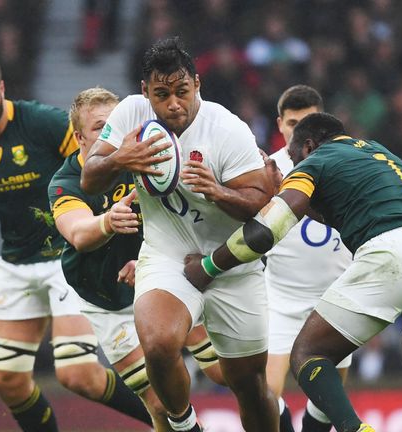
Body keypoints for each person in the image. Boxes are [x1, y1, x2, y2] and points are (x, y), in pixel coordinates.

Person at [184, 112, 402, 432]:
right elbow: (340, 211)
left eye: (293, 157)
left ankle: (354, 429)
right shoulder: (379, 153)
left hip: (395, 253)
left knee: (308, 354)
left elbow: (269, 229)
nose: (293, 163)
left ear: (308, 147)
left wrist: (208, 266)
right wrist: (282, 188)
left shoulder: (314, 162)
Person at [0, 51, 152, 431]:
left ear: (2, 88)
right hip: (16, 260)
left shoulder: (41, 123)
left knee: (78, 374)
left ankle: (167, 420)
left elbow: (95, 162)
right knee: (7, 380)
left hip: (66, 257)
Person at [81, 37, 279, 432]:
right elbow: (89, 175)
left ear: (197, 85)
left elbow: (263, 205)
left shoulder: (227, 130)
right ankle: (184, 425)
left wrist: (217, 190)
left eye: (182, 92)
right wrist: (122, 157)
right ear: (144, 93)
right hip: (167, 254)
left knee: (249, 385)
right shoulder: (130, 114)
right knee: (156, 343)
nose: (173, 103)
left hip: (230, 262)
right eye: (162, 94)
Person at [48, 87, 225, 431]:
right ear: (79, 137)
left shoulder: (148, 158)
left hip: (162, 278)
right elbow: (79, 234)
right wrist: (107, 222)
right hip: (106, 298)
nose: (113, 131)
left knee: (222, 371)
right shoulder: (66, 182)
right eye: (101, 127)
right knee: (159, 402)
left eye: (117, 122)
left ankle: (272, 412)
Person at [265, 85, 353, 432]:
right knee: (265, 396)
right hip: (280, 300)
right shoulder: (267, 170)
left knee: (328, 401)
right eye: (292, 122)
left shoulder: (347, 164)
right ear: (280, 124)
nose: (299, 128)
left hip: (335, 297)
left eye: (307, 121)